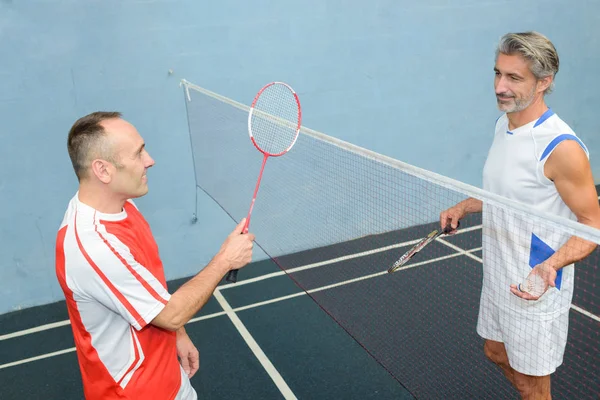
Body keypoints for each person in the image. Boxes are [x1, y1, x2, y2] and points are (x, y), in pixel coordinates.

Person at [440, 32, 600, 399]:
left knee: (532, 388)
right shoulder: (505, 124)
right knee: (494, 351)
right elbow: (507, 194)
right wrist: (466, 205)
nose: (499, 86)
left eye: (514, 78)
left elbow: (593, 224)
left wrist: (552, 266)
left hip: (535, 284)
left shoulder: (561, 148)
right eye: (498, 73)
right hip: (498, 271)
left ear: (544, 82)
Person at [55, 111, 255, 400]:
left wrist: (179, 333)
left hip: (168, 379)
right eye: (138, 154)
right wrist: (225, 259)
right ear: (103, 170)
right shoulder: (92, 247)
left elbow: (148, 281)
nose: (150, 160)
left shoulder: (123, 206)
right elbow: (171, 314)